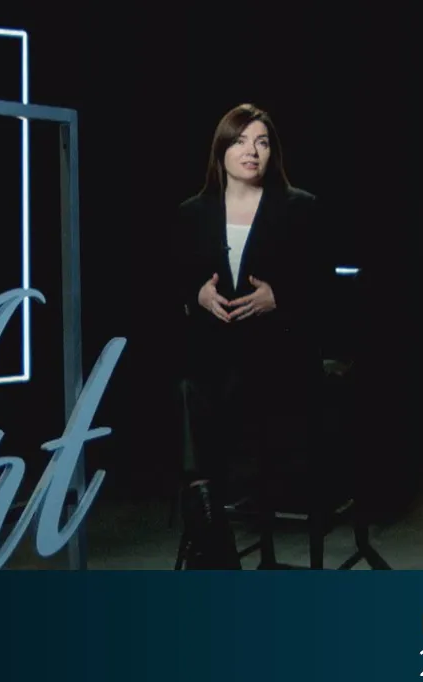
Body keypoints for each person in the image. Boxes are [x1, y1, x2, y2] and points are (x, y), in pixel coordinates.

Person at [172, 103, 332, 570]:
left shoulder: (300, 207)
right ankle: (213, 534)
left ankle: (208, 544)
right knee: (188, 384)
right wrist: (197, 293)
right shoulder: (193, 212)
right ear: (221, 150)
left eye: (261, 142)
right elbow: (173, 280)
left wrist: (278, 298)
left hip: (279, 350)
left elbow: (324, 287)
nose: (251, 151)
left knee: (206, 393)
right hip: (215, 352)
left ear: (272, 152)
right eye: (240, 141)